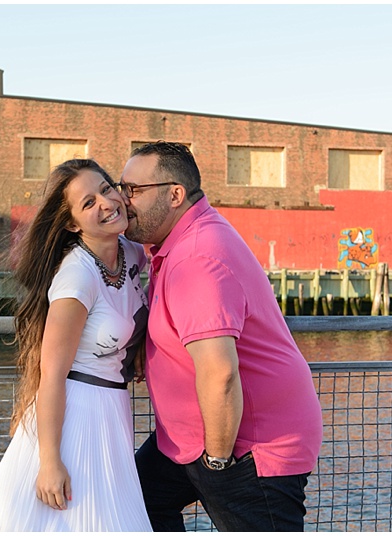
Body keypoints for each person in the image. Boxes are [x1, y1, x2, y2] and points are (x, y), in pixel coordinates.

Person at [118, 142, 324, 532]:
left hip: (248, 448)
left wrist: (217, 462)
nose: (123, 199)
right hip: (187, 442)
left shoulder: (196, 257)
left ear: (174, 194)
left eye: (134, 190)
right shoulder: (180, 240)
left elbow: (220, 374)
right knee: (136, 503)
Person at [0, 159, 152, 532]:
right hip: (76, 417)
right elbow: (51, 375)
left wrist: (135, 350)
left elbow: (129, 311)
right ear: (72, 223)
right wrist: (50, 461)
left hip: (113, 410)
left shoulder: (132, 253)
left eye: (106, 188)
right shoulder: (76, 278)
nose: (106, 202)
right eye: (88, 203)